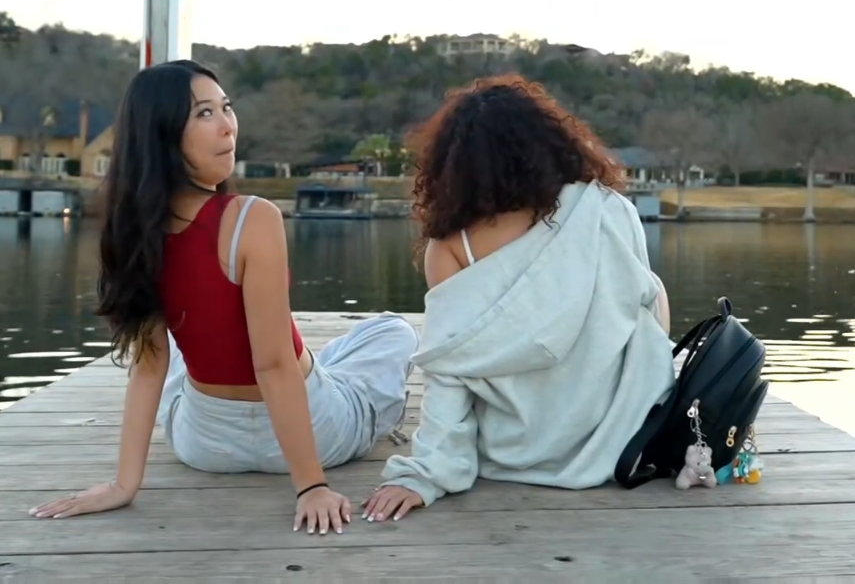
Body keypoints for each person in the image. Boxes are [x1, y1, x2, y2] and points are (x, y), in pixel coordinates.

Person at [29, 60, 418, 535]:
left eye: (226, 107)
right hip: (317, 433)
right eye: (204, 113)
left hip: (206, 444)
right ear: (164, 135)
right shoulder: (253, 218)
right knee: (393, 330)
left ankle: (319, 374)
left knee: (172, 354)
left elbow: (148, 368)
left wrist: (123, 485)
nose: (228, 125)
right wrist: (311, 486)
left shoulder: (135, 235)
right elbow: (272, 364)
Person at [362, 75, 675, 523]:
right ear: (550, 145)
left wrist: (428, 472)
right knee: (650, 291)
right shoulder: (606, 208)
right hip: (621, 433)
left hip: (513, 449)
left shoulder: (451, 246)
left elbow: (449, 368)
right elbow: (644, 319)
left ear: (455, 165)